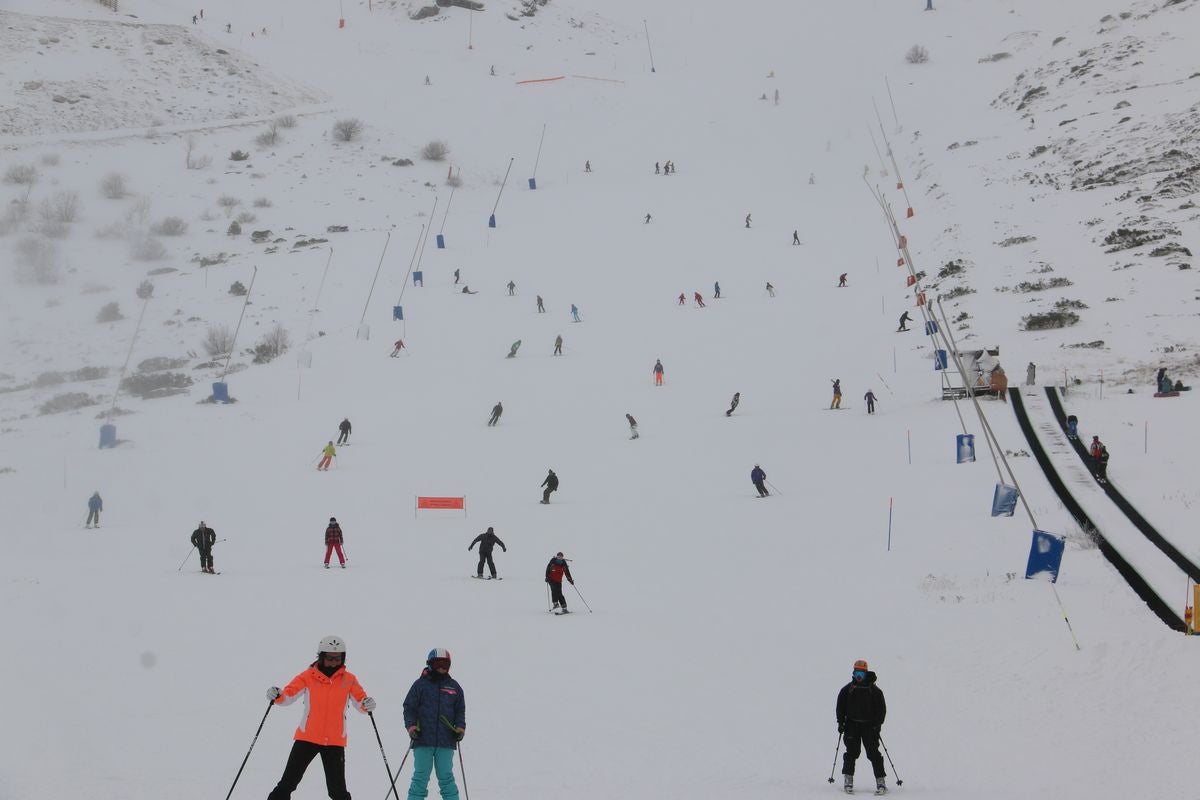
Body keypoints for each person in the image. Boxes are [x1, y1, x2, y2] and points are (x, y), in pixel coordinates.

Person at [266, 636, 374, 800]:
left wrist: (367, 704)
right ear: (321, 656)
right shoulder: (307, 676)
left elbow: (361, 702)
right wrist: (278, 695)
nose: (333, 662)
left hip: (334, 741)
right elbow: (288, 696)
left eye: (338, 658)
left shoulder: (349, 680)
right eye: (329, 658)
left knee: (338, 792)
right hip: (307, 737)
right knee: (287, 783)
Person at [403, 648, 465, 800]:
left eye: (445, 664)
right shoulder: (420, 685)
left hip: (446, 741)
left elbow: (460, 710)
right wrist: (411, 727)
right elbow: (409, 708)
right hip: (423, 739)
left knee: (446, 778)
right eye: (438, 663)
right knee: (420, 778)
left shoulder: (454, 687)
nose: (442, 667)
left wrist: (460, 728)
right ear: (430, 664)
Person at [836, 659, 888, 795]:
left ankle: (880, 780)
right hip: (852, 725)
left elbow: (881, 709)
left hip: (869, 726)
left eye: (861, 673)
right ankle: (848, 778)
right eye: (856, 672)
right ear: (853, 673)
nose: (859, 676)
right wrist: (840, 723)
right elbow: (840, 707)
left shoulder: (874, 691)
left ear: (866, 673)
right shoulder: (847, 690)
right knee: (851, 752)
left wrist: (877, 724)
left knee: (873, 753)